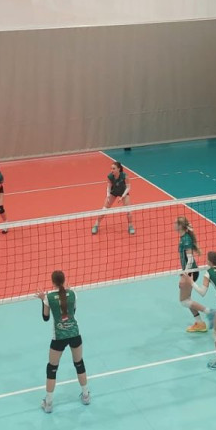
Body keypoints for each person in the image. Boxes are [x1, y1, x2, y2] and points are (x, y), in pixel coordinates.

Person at [37, 270, 90, 413]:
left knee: (52, 368)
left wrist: (42, 300)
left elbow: (46, 318)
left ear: (52, 282)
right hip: (74, 334)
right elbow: (72, 312)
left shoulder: (48, 297)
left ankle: (48, 403)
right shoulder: (73, 294)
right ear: (64, 280)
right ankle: (86, 396)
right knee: (79, 364)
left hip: (59, 337)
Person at [176, 217, 213, 333]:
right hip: (189, 271)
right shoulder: (183, 238)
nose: (174, 225)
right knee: (187, 299)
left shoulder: (186, 240)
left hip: (190, 272)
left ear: (180, 226)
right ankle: (200, 323)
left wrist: (185, 274)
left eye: (176, 223)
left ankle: (209, 312)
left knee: (184, 301)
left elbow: (190, 259)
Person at [92, 162, 135, 235]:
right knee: (104, 209)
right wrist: (108, 196)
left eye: (114, 168)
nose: (112, 170)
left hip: (123, 192)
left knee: (129, 210)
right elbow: (108, 187)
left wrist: (122, 196)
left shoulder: (125, 176)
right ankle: (96, 224)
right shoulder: (110, 176)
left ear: (119, 169)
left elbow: (128, 187)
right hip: (114, 192)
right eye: (111, 168)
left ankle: (130, 226)